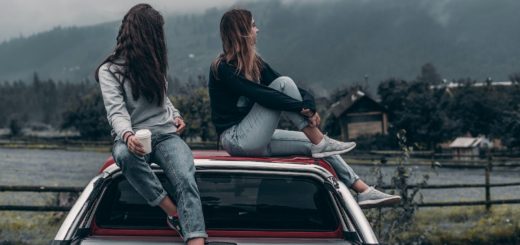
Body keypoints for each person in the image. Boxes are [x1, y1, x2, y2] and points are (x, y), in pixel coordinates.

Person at [208, 9, 400, 207]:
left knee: (316, 147)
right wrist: (300, 108)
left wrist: (309, 106)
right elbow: (262, 94)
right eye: (254, 25)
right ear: (243, 32)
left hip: (256, 137)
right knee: (283, 84)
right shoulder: (222, 68)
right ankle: (320, 140)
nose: (258, 29)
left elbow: (294, 90)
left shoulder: (255, 63)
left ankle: (363, 190)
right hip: (236, 139)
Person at [95, 4, 206, 244]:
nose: (161, 38)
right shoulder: (109, 70)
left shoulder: (154, 63)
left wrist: (176, 114)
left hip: (167, 135)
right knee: (123, 155)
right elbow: (116, 112)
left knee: (186, 179)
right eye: (157, 32)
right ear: (146, 34)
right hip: (133, 137)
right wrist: (127, 136)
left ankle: (196, 240)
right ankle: (174, 212)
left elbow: (163, 99)